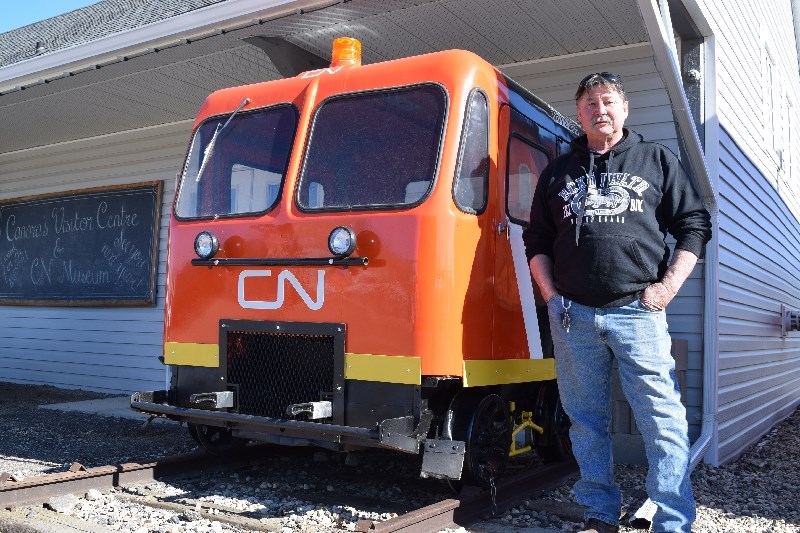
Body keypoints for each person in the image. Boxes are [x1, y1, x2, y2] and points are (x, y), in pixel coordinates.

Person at [522, 72, 711, 533]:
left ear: (624, 109)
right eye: (588, 104)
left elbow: (694, 225)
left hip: (638, 312)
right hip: (572, 315)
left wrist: (666, 289)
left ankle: (672, 521)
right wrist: (550, 294)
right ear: (579, 114)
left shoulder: (655, 160)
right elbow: (537, 240)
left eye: (607, 101)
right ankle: (599, 514)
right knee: (585, 422)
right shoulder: (558, 172)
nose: (598, 110)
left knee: (662, 421)